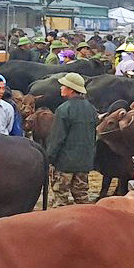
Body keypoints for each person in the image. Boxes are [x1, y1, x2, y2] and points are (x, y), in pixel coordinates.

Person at [45, 72, 98, 206]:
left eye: (63, 86)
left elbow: (57, 138)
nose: (61, 88)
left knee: (60, 200)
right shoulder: (91, 109)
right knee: (82, 199)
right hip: (84, 163)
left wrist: (49, 158)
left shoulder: (63, 109)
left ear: (71, 89)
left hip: (64, 164)